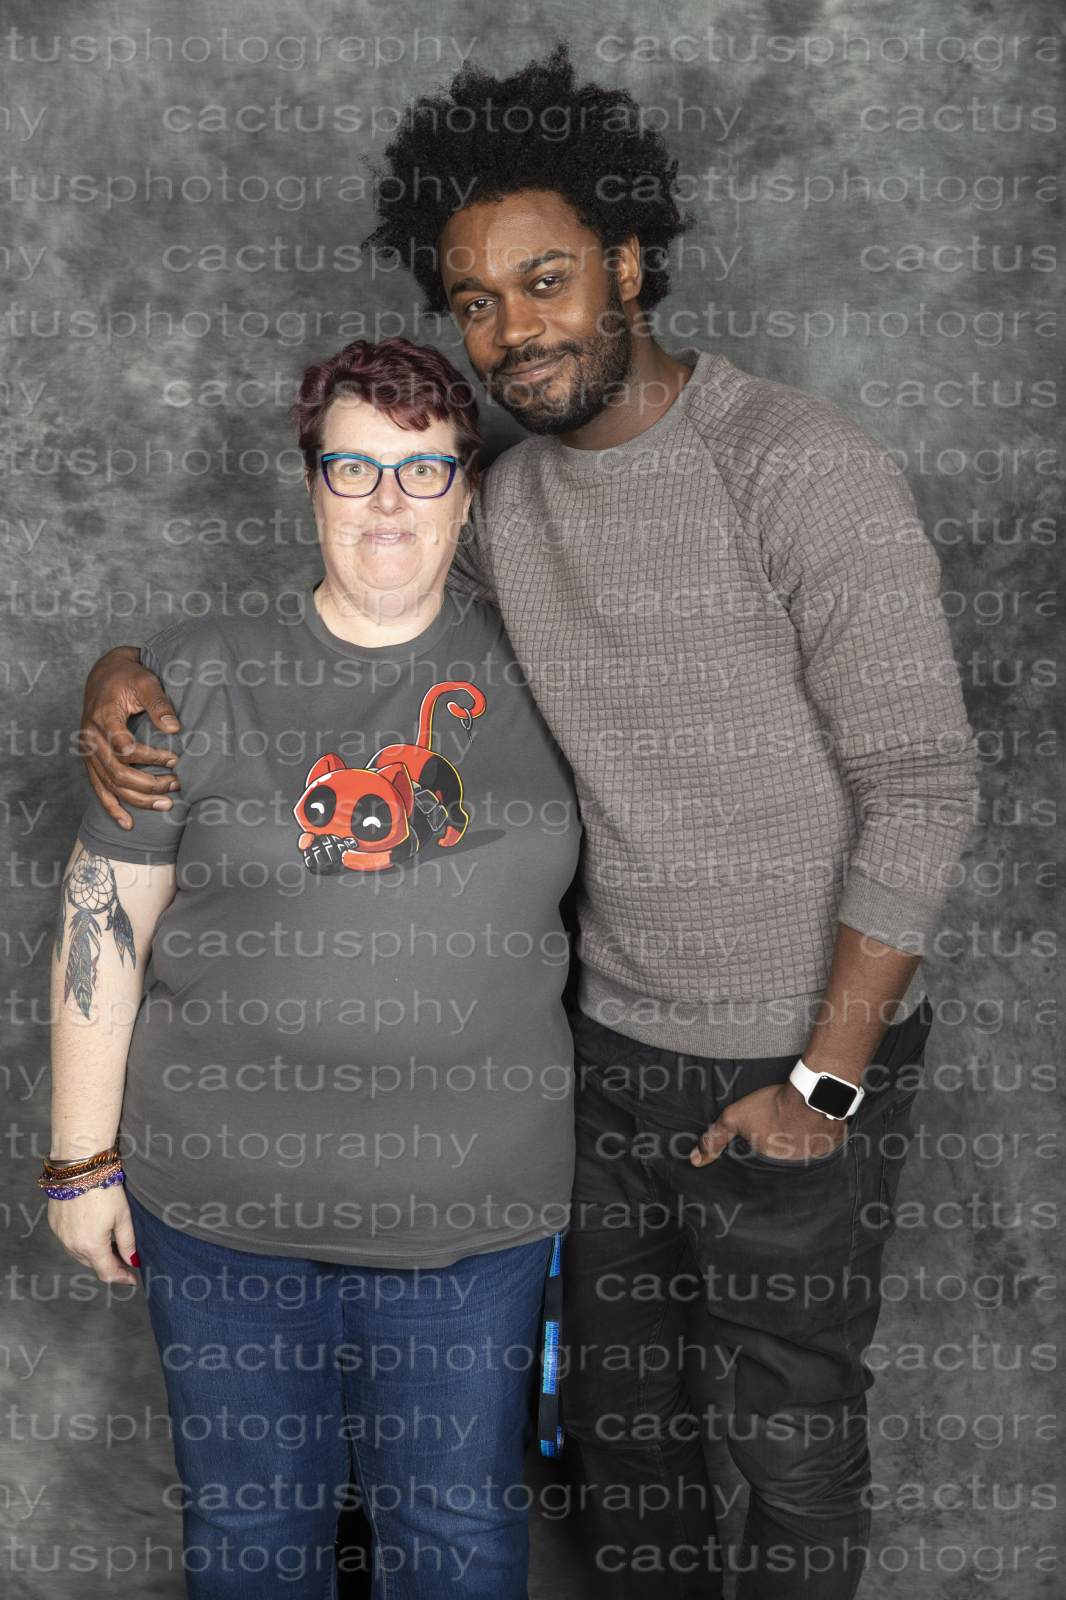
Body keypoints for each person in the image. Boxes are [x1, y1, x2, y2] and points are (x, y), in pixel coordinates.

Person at [77, 46, 978, 1600]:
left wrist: (823, 1080)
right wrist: (124, 669)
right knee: (620, 1448)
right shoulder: (504, 504)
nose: (512, 331)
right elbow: (363, 610)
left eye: (545, 281)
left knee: (788, 1443)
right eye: (476, 303)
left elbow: (923, 784)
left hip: (803, 1054)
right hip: (605, 1062)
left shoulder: (800, 469)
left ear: (626, 262)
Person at [47, 336, 580, 1599]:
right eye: (354, 468)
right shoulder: (197, 670)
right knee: (250, 1536)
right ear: (310, 485)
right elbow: (100, 919)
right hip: (219, 1216)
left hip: (471, 1220)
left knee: (456, 1536)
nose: (388, 502)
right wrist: (79, 1162)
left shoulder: (556, 670)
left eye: (421, 468)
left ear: (466, 491)